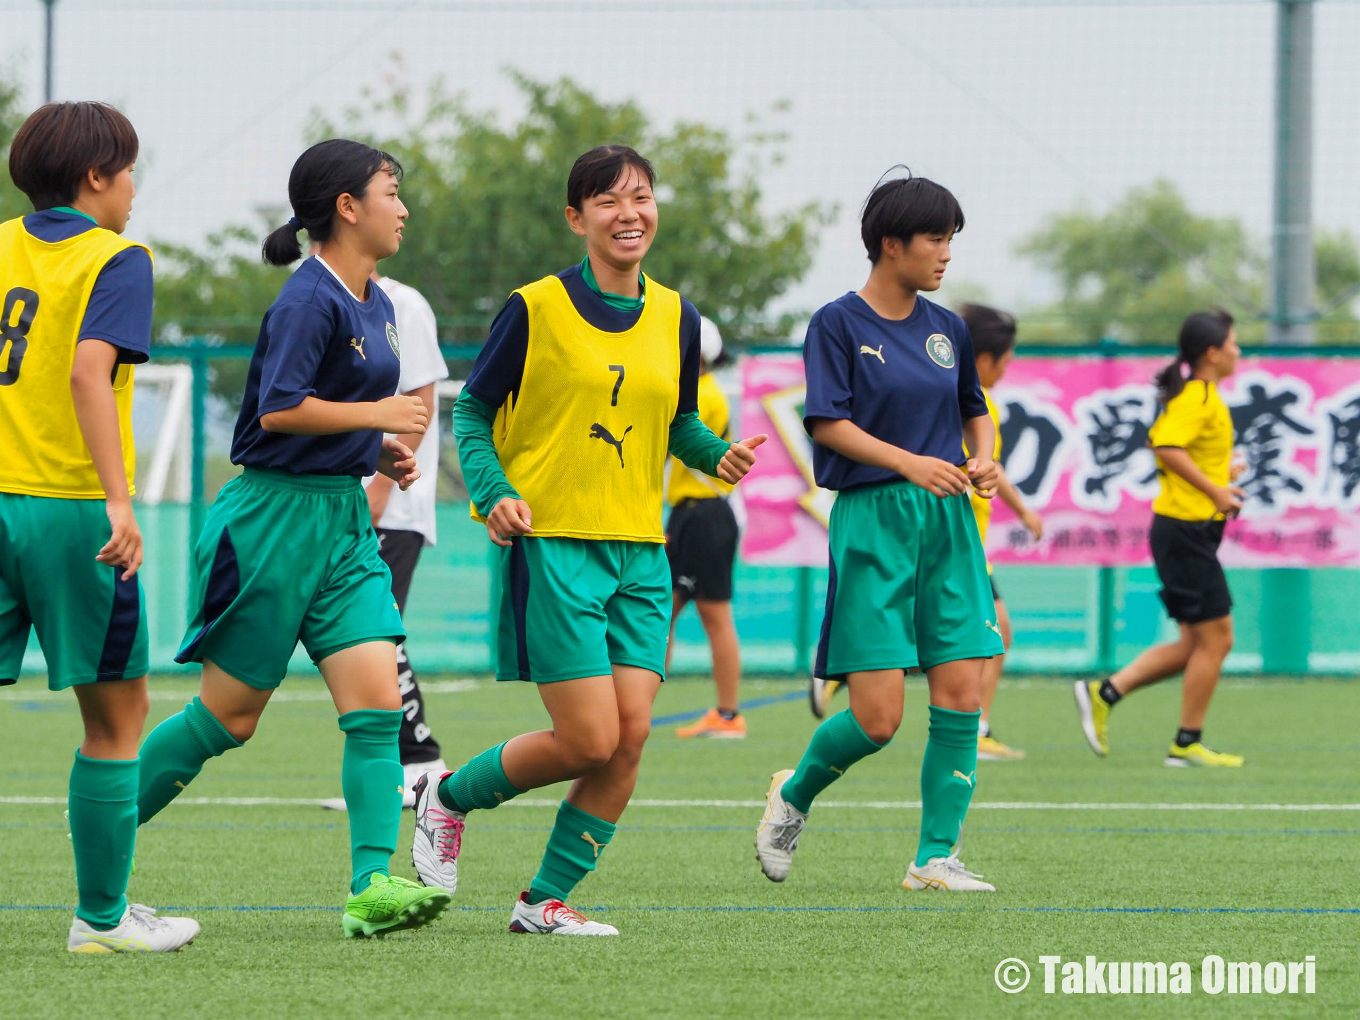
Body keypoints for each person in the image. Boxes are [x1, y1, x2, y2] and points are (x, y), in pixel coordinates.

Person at [415, 144, 764, 936]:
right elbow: (470, 412)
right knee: (587, 737)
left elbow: (675, 422)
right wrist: (494, 492)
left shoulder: (679, 315)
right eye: (607, 201)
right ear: (577, 219)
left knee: (629, 738)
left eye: (640, 197)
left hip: (643, 552)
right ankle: (446, 797)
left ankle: (543, 901)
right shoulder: (534, 306)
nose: (628, 213)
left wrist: (718, 455)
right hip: (556, 546)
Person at [132, 139, 452, 939]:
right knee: (229, 719)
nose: (403, 206)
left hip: (343, 525)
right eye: (392, 191)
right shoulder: (309, 298)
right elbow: (278, 411)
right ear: (348, 207)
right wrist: (378, 418)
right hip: (269, 523)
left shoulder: (376, 299)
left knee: (378, 704)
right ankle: (103, 828)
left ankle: (371, 887)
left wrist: (375, 450)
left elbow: (329, 410)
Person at [754, 170, 1004, 893]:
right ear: (890, 244)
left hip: (949, 523)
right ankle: (793, 794)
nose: (945, 253)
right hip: (873, 521)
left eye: (951, 238)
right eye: (935, 238)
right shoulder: (837, 323)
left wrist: (981, 460)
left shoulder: (947, 327)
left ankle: (934, 858)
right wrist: (910, 464)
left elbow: (973, 408)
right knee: (877, 718)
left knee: (962, 690)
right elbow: (827, 424)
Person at [0, 100, 199, 954]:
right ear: (94, 178)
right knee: (117, 717)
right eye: (128, 171)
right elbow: (90, 376)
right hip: (69, 510)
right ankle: (102, 919)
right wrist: (121, 503)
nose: (132, 188)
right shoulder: (117, 257)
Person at [1074, 309, 1245, 768]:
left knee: (1195, 642)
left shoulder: (1206, 396)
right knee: (1219, 638)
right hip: (1184, 534)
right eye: (1232, 343)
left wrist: (1221, 474)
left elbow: (1181, 452)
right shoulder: (1197, 397)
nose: (1238, 351)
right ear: (1212, 353)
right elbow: (1164, 446)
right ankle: (1186, 743)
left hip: (1192, 533)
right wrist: (1216, 490)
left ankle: (1105, 692)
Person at [321, 268, 450, 811]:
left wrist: (379, 490)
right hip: (343, 499)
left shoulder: (405, 302)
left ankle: (421, 763)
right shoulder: (327, 295)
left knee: (376, 631)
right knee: (366, 633)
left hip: (392, 504)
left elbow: (420, 401)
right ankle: (404, 769)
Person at [958, 303, 1044, 761]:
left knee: (983, 634)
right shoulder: (964, 399)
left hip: (967, 543)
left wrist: (1022, 510)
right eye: (1006, 360)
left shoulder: (977, 401)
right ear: (985, 358)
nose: (1007, 369)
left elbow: (991, 468)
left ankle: (977, 727)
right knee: (996, 631)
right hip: (957, 540)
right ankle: (976, 729)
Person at [667, 317, 746, 739]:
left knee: (679, 614)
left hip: (702, 515)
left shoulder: (700, 396)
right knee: (666, 613)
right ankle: (727, 715)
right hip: (698, 514)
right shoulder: (706, 392)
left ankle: (729, 715)